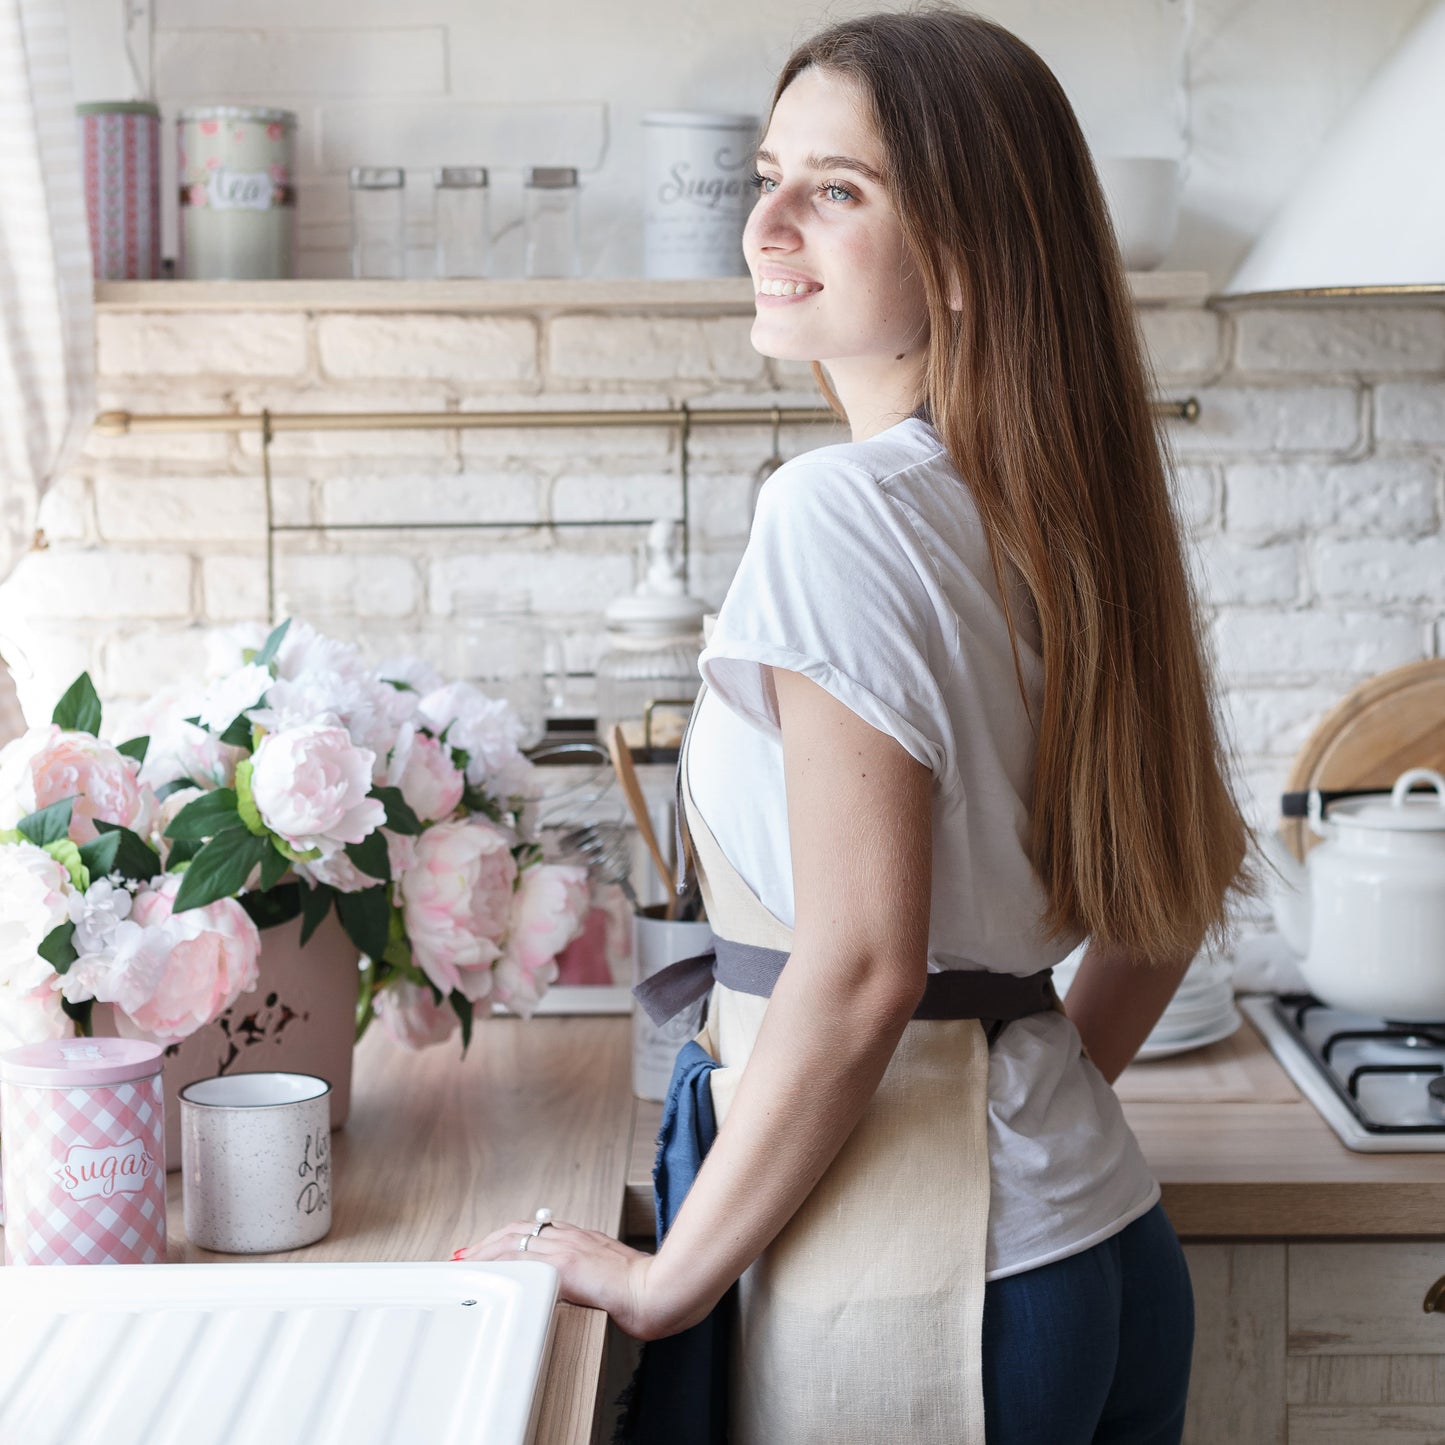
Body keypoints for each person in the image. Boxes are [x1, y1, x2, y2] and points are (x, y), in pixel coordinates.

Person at [455, 10, 1251, 1443]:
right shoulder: (1069, 517)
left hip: (925, 1273)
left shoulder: (838, 512)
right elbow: (1172, 885)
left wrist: (660, 1281)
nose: (761, 221)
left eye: (835, 188)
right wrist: (1022, 1080)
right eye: (768, 172)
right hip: (1095, 1241)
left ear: (961, 253)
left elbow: (866, 961)